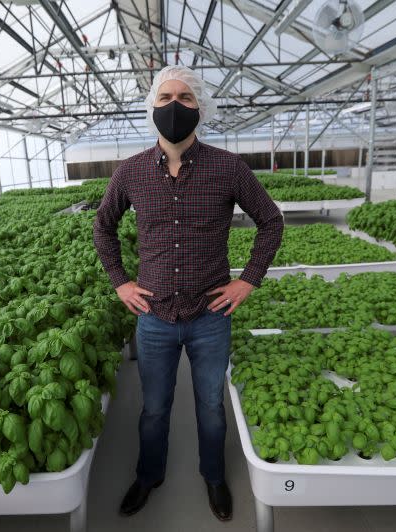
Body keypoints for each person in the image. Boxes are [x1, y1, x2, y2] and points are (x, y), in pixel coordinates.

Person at [92, 65, 283, 522]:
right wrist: (120, 281)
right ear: (150, 108)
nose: (174, 106)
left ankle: (214, 477)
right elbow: (103, 227)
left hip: (209, 315)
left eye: (185, 98)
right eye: (164, 98)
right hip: (154, 316)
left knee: (210, 406)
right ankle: (149, 475)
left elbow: (270, 222)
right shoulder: (131, 172)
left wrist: (249, 279)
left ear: (201, 108)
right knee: (154, 408)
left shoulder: (228, 168)